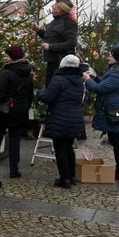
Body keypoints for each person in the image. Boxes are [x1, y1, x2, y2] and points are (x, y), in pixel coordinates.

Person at [83, 47, 119, 181]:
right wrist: (95, 77)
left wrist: (87, 79)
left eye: (111, 56)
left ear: (118, 58)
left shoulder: (117, 73)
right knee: (118, 140)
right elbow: (108, 86)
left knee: (118, 141)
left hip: (116, 111)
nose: (108, 58)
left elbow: (101, 89)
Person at [0, 46, 34, 195]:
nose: (4, 57)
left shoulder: (6, 72)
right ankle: (14, 170)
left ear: (12, 57)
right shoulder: (28, 73)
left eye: (6, 55)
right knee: (15, 139)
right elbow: (30, 95)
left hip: (4, 111)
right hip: (20, 110)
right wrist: (24, 107)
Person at [37, 55, 86, 188]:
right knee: (69, 147)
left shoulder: (58, 79)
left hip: (59, 117)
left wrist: (39, 93)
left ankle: (64, 179)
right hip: (75, 118)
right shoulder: (80, 80)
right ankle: (72, 177)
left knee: (60, 149)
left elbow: (48, 97)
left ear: (62, 65)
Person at [32, 0, 78, 86]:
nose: (52, 6)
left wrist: (50, 46)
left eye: (54, 4)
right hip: (52, 61)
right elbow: (51, 37)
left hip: (62, 63)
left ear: (59, 9)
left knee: (55, 89)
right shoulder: (55, 21)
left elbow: (71, 43)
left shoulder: (69, 22)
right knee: (50, 88)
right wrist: (38, 30)